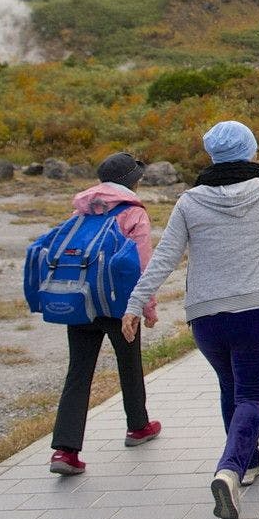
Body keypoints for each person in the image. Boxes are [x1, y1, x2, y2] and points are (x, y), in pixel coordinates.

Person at [122, 121, 259, 519]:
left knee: (230, 387)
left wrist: (135, 303)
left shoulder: (189, 201)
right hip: (256, 313)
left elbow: (165, 258)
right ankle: (230, 470)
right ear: (250, 152)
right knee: (252, 395)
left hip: (207, 318)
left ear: (211, 156)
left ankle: (250, 461)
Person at [49, 152, 161, 476]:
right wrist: (147, 307)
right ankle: (138, 427)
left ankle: (65, 450)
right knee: (130, 362)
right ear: (131, 181)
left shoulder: (82, 209)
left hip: (80, 303)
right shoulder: (133, 213)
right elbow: (143, 265)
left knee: (78, 372)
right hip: (119, 304)